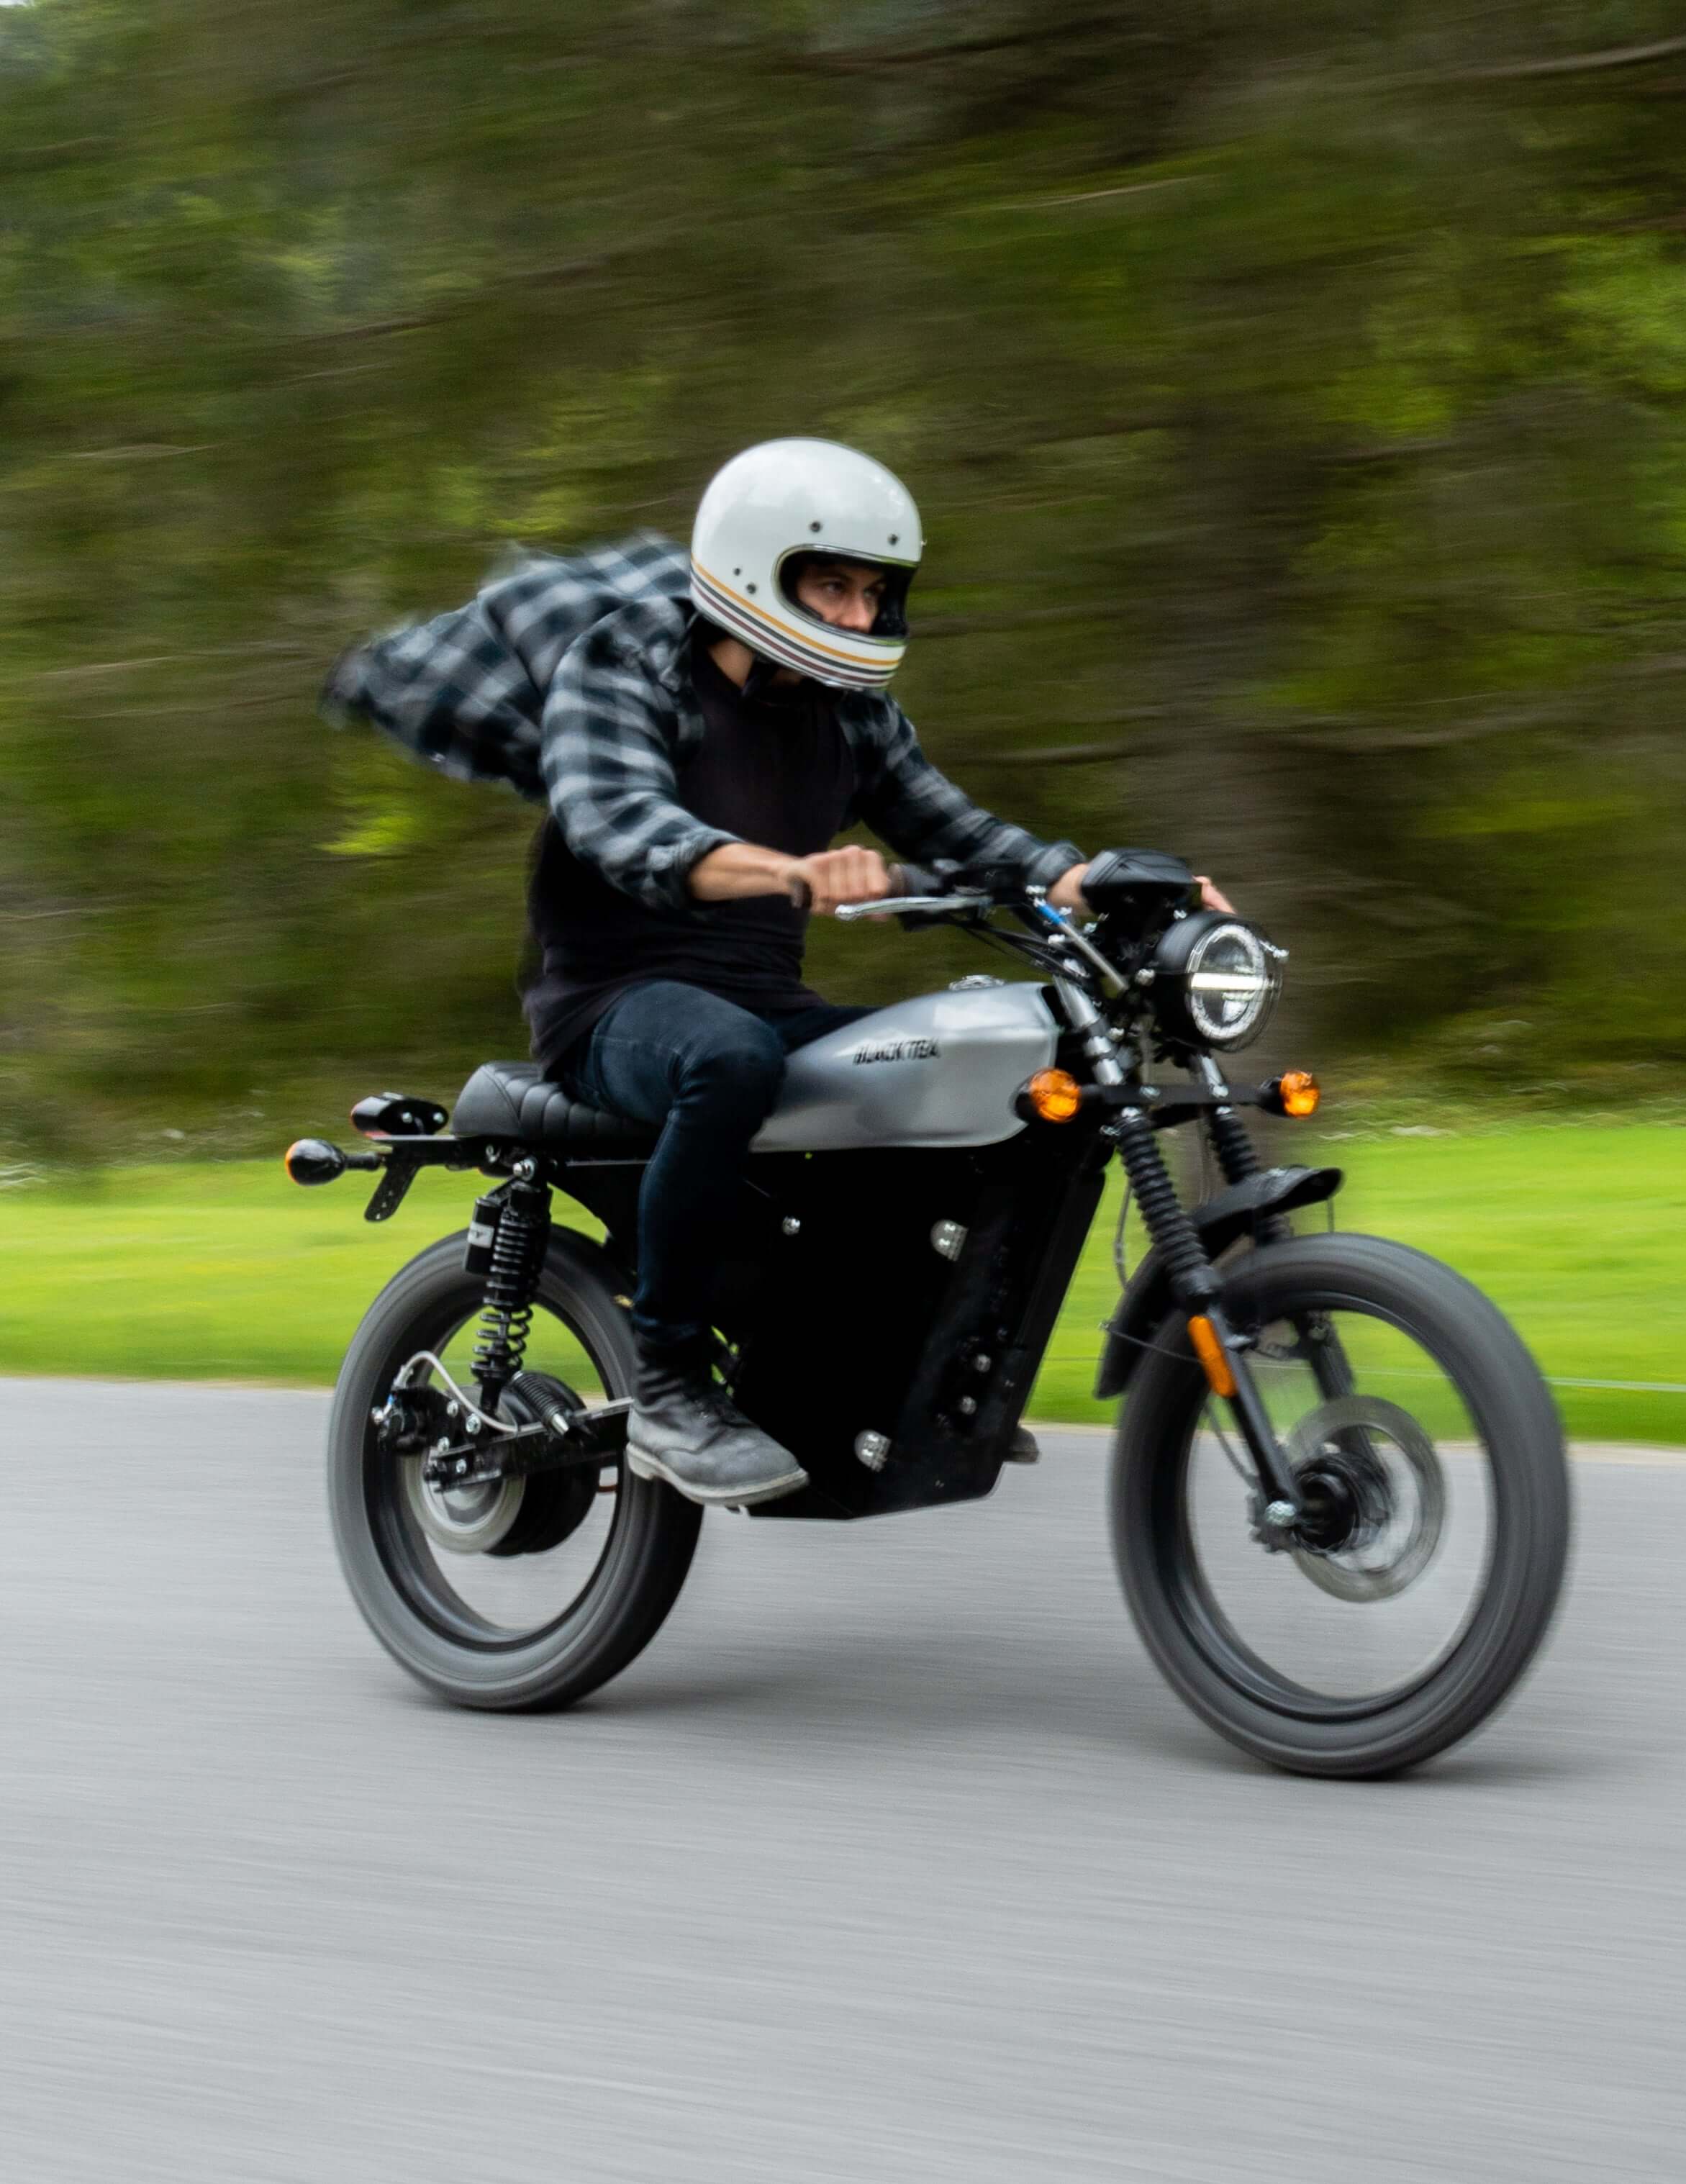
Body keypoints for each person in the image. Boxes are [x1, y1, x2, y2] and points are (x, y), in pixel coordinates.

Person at [325, 437, 1225, 1508]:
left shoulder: (850, 715)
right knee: (726, 1058)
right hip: (613, 1004)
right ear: (754, 571)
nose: (855, 615)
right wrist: (792, 872)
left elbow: (965, 833)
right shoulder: (623, 666)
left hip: (763, 999)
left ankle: (896, 1365)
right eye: (830, 586)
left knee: (960, 1068)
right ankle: (665, 1383)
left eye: (872, 593)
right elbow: (626, 828)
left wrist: (1108, 885)